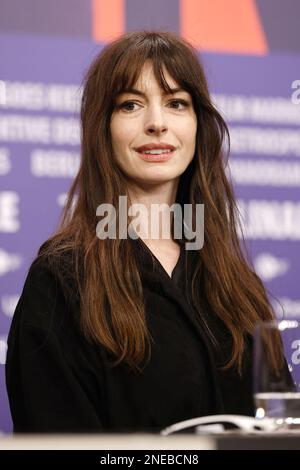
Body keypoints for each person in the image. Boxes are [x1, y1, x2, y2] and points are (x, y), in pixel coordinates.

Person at [5, 31, 284, 433]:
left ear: (197, 124)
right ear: (104, 127)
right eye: (131, 105)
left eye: (176, 103)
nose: (157, 124)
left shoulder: (241, 288)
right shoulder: (60, 280)